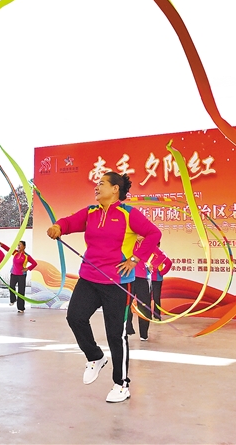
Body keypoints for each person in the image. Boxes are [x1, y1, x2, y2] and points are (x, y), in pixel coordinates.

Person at [47, 172, 161, 403]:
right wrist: (58, 227)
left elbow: (153, 233)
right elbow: (69, 222)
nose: (96, 187)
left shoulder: (128, 214)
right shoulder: (91, 212)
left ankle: (121, 384)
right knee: (75, 317)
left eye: (101, 183)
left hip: (117, 283)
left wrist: (135, 259)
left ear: (115, 189)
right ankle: (95, 356)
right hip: (89, 278)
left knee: (115, 335)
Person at [0, 240, 37, 313]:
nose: (18, 246)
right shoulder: (15, 252)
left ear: (24, 247)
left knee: (21, 292)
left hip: (22, 275)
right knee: (11, 287)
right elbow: (8, 249)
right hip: (13, 274)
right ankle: (13, 299)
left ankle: (21, 308)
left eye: (20, 245)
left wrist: (27, 268)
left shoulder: (27, 256)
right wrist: (1, 244)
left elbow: (34, 263)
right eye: (18, 245)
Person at [125, 236, 150, 339]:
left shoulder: (148, 243)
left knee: (144, 306)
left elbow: (161, 256)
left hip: (143, 279)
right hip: (129, 277)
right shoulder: (129, 242)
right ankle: (127, 329)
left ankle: (144, 334)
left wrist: (153, 265)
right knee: (126, 305)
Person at [145, 243, 173, 331]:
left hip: (157, 279)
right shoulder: (147, 253)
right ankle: (147, 315)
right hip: (147, 278)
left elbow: (169, 263)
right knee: (147, 297)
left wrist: (161, 273)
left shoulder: (160, 255)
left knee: (156, 297)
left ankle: (157, 315)